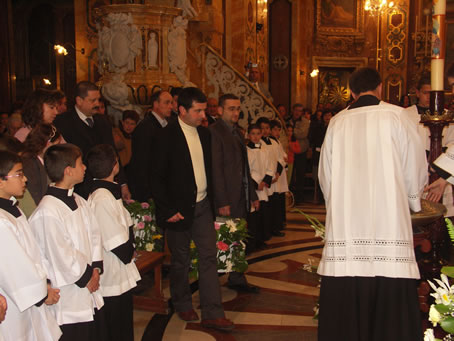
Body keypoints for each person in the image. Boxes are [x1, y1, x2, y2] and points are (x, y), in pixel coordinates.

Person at [317, 67, 427, 341]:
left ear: (351, 92)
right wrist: (413, 202)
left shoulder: (337, 122)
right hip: (389, 222)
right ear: (380, 88)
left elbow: (325, 176)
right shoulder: (398, 116)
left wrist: (338, 206)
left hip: (348, 227)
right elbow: (414, 165)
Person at [151, 87, 234, 332]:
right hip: (177, 209)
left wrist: (218, 200)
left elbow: (210, 171)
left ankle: (212, 312)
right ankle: (182, 301)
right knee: (180, 261)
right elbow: (156, 177)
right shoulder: (165, 137)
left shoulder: (205, 135)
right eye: (197, 111)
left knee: (209, 258)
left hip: (202, 206)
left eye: (203, 110)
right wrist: (167, 209)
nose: (202, 115)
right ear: (182, 110)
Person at [29, 144, 104, 341]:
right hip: (67, 293)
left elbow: (94, 235)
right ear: (68, 170)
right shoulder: (48, 211)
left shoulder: (79, 199)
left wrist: (95, 268)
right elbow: (60, 254)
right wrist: (88, 276)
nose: (85, 167)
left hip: (87, 286)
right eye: (81, 163)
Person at [0, 150, 62, 341]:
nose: (25, 179)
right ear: (1, 181)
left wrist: (47, 282)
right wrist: (42, 293)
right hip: (15, 302)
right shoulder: (1, 220)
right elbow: (14, 267)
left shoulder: (13, 209)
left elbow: (34, 251)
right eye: (19, 174)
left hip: (33, 295)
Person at [86, 144, 140, 341]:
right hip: (111, 271)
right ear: (115, 165)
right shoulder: (101, 197)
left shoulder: (108, 192)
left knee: (123, 325)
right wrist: (130, 251)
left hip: (119, 268)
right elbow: (114, 241)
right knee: (115, 328)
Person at [209, 93, 260, 293]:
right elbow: (216, 168)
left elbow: (244, 167)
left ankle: (237, 277)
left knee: (238, 236)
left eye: (238, 108)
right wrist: (222, 200)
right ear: (220, 110)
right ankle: (214, 283)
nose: (236, 112)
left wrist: (253, 195)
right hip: (226, 196)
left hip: (241, 194)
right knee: (223, 239)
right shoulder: (214, 132)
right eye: (231, 108)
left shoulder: (238, 132)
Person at [54, 81, 131, 200]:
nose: (97, 104)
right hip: (79, 188)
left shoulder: (103, 121)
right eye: (92, 100)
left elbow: (113, 152)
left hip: (106, 187)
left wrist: (123, 183)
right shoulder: (63, 123)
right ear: (79, 101)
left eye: (98, 100)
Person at [128, 90, 172, 202]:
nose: (170, 106)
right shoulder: (145, 128)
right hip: (150, 190)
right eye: (167, 103)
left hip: (164, 186)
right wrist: (148, 193)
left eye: (171, 103)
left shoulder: (168, 124)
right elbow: (141, 163)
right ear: (156, 104)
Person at [246, 124, 274, 252]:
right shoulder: (246, 151)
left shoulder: (265, 150)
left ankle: (260, 240)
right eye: (253, 134)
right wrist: (256, 183)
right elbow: (247, 170)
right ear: (248, 135)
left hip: (263, 187)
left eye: (258, 134)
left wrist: (265, 180)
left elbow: (270, 167)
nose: (256, 137)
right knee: (253, 217)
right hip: (253, 187)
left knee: (263, 215)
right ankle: (251, 243)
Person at [256, 117, 285, 238]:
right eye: (262, 128)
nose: (265, 131)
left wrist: (277, 173)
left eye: (267, 128)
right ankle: (266, 232)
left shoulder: (274, 142)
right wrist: (268, 178)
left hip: (275, 179)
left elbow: (280, 159)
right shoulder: (259, 144)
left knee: (275, 206)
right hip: (265, 180)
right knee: (266, 208)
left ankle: (275, 228)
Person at [22, 124, 62, 205]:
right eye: (55, 145)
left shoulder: (44, 160)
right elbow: (36, 196)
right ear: (46, 144)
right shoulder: (28, 164)